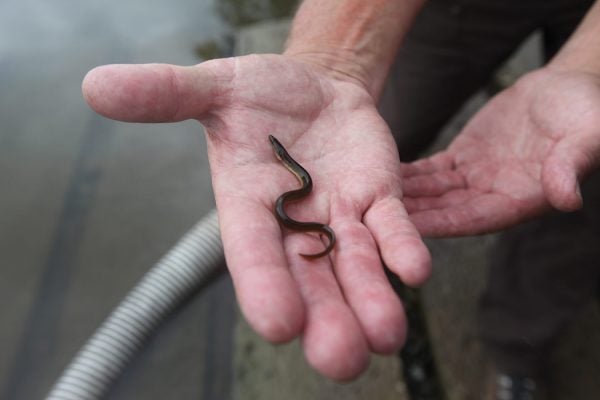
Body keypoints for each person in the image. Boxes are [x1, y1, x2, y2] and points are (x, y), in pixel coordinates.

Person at [81, 0, 600, 396]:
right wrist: (333, 59)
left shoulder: (293, 182)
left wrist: (586, 67)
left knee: (581, 189)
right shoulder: (293, 171)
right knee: (378, 131)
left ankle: (513, 353)